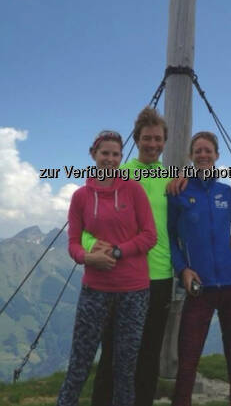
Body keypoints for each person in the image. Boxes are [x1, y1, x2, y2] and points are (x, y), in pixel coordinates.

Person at [57, 130, 157, 406]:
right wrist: (88, 258)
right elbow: (74, 243)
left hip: (134, 290)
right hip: (95, 288)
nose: (110, 159)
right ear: (93, 155)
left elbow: (150, 235)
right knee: (80, 362)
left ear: (121, 157)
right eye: (105, 154)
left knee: (125, 367)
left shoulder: (133, 190)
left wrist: (116, 251)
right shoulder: (80, 197)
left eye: (115, 154)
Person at [83, 108, 174, 406]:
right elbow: (87, 222)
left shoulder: (172, 179)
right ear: (137, 139)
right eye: (146, 138)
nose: (152, 144)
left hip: (160, 275)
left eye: (157, 139)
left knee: (149, 353)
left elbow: (190, 219)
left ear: (164, 142)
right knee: (112, 352)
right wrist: (93, 247)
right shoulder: (119, 175)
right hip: (120, 275)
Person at [167, 131, 231, 406]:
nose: (203, 154)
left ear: (216, 155)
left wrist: (227, 239)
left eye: (208, 150)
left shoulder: (227, 192)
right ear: (191, 155)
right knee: (188, 358)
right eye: (198, 150)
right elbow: (169, 237)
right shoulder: (178, 190)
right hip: (198, 285)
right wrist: (182, 270)